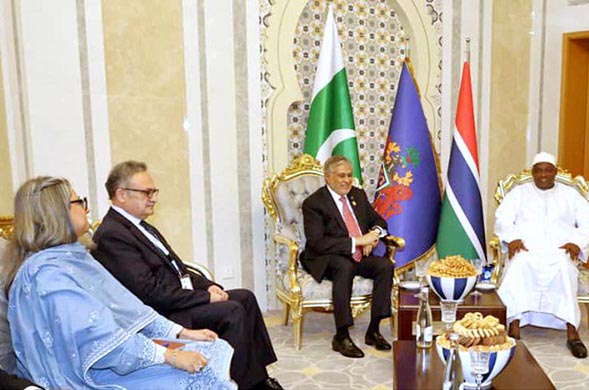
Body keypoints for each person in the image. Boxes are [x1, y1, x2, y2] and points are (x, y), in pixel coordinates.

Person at [1, 176, 236, 389]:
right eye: (79, 202)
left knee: (212, 350)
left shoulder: (71, 256)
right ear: (57, 213)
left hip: (112, 352)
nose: (87, 208)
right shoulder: (48, 275)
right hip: (87, 373)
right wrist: (170, 356)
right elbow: (97, 338)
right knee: (196, 375)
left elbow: (127, 308)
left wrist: (180, 333)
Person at [91, 161, 281, 390]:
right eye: (147, 192)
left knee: (245, 297)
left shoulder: (141, 226)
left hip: (176, 299)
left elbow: (178, 267)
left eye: (154, 191)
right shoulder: (113, 234)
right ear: (121, 194)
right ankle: (243, 384)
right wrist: (205, 298)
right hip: (162, 313)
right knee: (232, 311)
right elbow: (148, 292)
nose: (153, 198)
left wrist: (208, 286)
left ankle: (257, 376)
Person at [494, 152, 589, 358]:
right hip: (527, 249)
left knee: (564, 268)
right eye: (539, 170)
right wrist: (513, 238)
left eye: (548, 170)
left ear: (555, 172)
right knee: (518, 265)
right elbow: (503, 220)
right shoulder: (519, 193)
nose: (543, 175)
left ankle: (572, 333)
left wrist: (576, 242)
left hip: (560, 250)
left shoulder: (570, 195)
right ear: (533, 172)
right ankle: (514, 327)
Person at [300, 155, 395, 358]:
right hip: (324, 257)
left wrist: (374, 236)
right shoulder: (314, 203)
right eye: (341, 176)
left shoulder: (357, 195)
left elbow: (379, 221)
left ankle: (374, 330)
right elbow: (317, 242)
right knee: (344, 266)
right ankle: (341, 336)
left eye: (349, 176)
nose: (346, 180)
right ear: (328, 177)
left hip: (356, 255)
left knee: (385, 266)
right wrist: (359, 241)